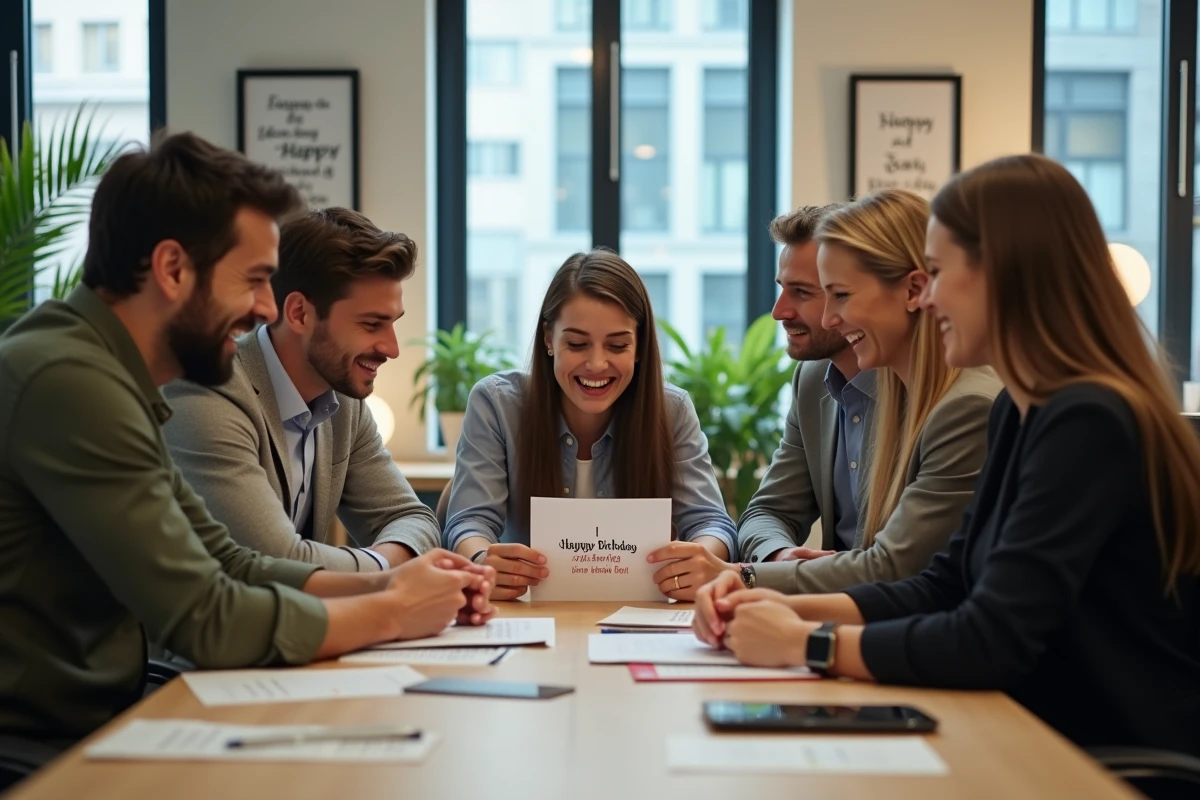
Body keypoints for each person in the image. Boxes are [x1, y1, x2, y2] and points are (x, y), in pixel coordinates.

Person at [694, 154, 1200, 755]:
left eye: (936, 273)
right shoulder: (1021, 408)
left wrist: (807, 643)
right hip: (1038, 732)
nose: (927, 299)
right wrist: (763, 597)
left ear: (1004, 276)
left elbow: (990, 637)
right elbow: (943, 584)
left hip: (1110, 757)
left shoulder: (1087, 419)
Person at [0, 132, 494, 747]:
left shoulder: (111, 374)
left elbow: (233, 563)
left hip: (104, 723)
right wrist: (394, 610)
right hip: (44, 752)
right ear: (172, 269)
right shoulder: (70, 382)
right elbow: (206, 616)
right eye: (255, 280)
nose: (265, 308)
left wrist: (392, 583)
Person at [739, 189, 1000, 594]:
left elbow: (896, 569)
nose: (779, 312)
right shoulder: (813, 380)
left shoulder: (966, 405)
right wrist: (779, 558)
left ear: (914, 292)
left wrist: (743, 577)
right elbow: (769, 510)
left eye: (833, 294)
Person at [444, 249, 738, 600]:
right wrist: (482, 560)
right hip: (523, 612)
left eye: (617, 345)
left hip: (638, 615)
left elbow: (711, 523)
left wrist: (701, 560)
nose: (597, 364)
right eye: (577, 344)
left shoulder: (671, 411)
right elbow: (469, 522)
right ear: (549, 338)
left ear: (639, 347)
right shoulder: (496, 404)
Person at [163, 208, 438, 571]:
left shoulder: (343, 400)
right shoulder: (208, 392)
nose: (392, 348)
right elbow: (275, 561)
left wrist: (379, 566)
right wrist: (385, 573)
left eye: (393, 324)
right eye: (372, 324)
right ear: (299, 313)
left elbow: (411, 518)